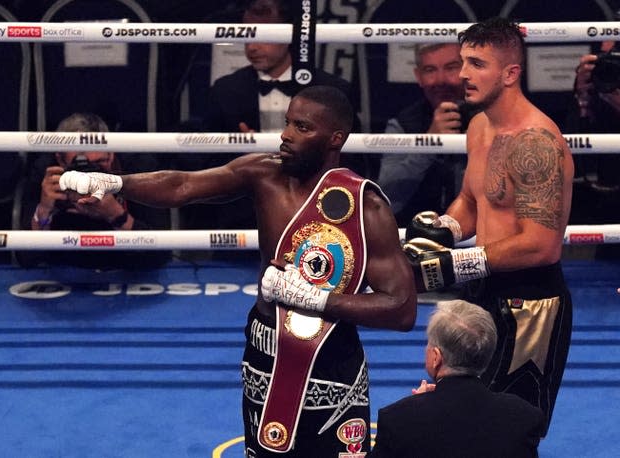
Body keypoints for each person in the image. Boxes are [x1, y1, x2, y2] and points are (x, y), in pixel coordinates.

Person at [58, 86, 418, 456]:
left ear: (335, 138)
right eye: (288, 123)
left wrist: (317, 299)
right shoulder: (263, 174)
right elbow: (183, 184)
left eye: (303, 127)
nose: (287, 134)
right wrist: (117, 183)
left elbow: (402, 310)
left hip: (332, 358)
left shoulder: (365, 207)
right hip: (265, 349)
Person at [403, 17, 574, 436]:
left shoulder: (536, 143)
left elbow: (541, 246)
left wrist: (454, 264)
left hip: (530, 303)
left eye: (477, 63)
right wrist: (446, 227)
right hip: (481, 290)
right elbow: (471, 198)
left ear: (510, 73)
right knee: (461, 418)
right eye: (463, 62)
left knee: (512, 428)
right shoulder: (479, 126)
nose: (462, 74)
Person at [174, 0, 370, 233]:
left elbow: (354, 161)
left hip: (320, 213)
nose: (252, 48)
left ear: (288, 33)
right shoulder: (226, 90)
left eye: (262, 37)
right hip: (246, 215)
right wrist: (242, 152)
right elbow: (208, 166)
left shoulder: (331, 89)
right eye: (248, 37)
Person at [369, 300, 544, 458]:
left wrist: (416, 406)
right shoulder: (524, 417)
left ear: (436, 357)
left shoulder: (398, 420)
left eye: (429, 344)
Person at [17, 112, 171, 270]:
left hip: (127, 267)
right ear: (60, 160)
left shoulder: (138, 169)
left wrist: (118, 216)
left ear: (111, 155)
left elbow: (161, 256)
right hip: (66, 269)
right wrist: (43, 213)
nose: (90, 176)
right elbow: (26, 258)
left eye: (99, 163)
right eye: (80, 166)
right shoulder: (47, 174)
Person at [377, 43, 479, 227]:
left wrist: (478, 145)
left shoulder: (492, 119)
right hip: (415, 239)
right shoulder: (403, 124)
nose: (441, 80)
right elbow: (386, 199)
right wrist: (429, 143)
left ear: (466, 70)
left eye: (451, 67)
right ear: (419, 76)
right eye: (430, 70)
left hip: (478, 237)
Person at [564, 39, 620, 258]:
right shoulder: (599, 91)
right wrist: (582, 97)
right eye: (605, 56)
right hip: (607, 207)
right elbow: (570, 158)